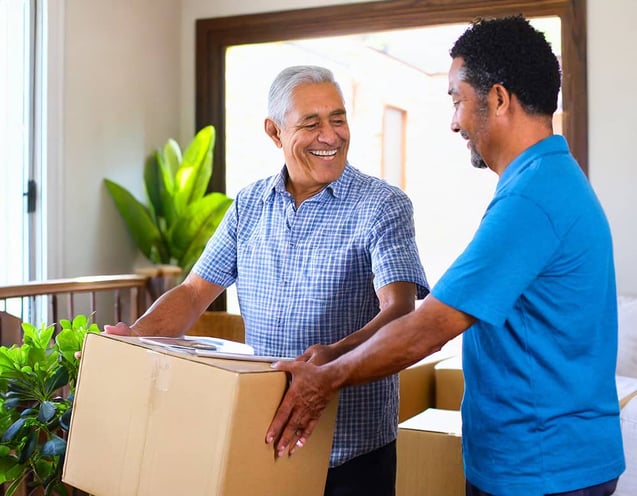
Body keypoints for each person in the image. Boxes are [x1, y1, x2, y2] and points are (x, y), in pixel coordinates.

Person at [267, 16, 625, 496]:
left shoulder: (532, 200)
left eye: (457, 100)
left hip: (544, 468)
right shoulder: (544, 181)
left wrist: (322, 380)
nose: (454, 121)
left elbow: (429, 327)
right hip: (548, 461)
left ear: (497, 98)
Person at [105, 65, 429, 496]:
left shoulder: (382, 205)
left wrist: (330, 360)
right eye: (311, 124)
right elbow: (194, 292)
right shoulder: (249, 204)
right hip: (267, 439)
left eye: (338, 119)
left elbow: (400, 311)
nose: (330, 136)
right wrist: (135, 339)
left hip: (352, 450)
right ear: (275, 133)